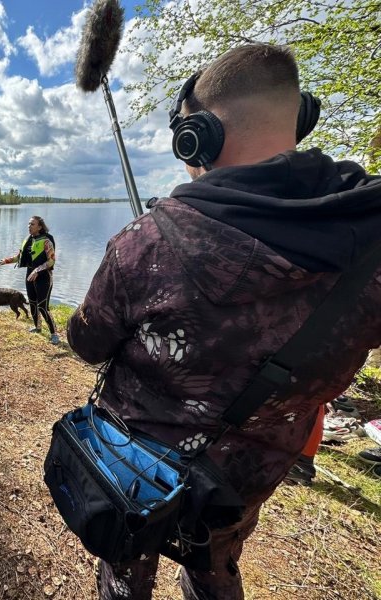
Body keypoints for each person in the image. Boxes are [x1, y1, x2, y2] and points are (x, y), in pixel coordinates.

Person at [66, 44, 381, 599]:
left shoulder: (146, 245)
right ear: (300, 118)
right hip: (246, 481)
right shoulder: (370, 242)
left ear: (198, 137)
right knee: (215, 566)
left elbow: (87, 342)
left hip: (136, 470)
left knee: (126, 568)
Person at [0, 216, 59, 345]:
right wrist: (5, 261)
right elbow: (19, 257)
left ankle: (54, 334)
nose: (29, 226)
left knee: (42, 306)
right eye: (28, 224)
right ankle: (38, 327)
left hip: (44, 276)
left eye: (32, 224)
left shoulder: (46, 241)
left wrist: (38, 270)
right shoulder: (28, 240)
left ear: (40, 227)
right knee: (32, 303)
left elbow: (51, 260)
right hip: (30, 274)